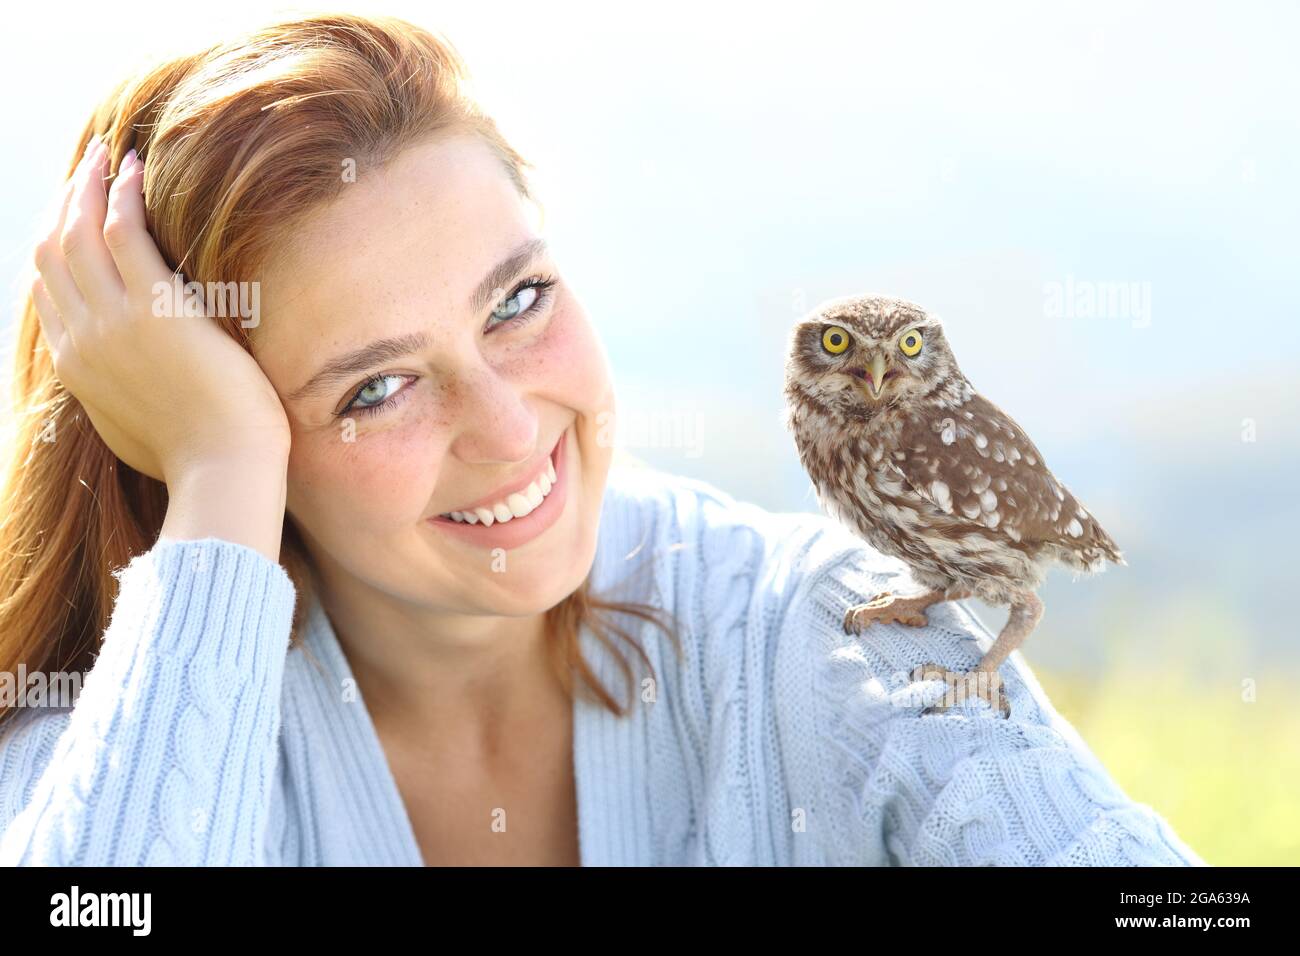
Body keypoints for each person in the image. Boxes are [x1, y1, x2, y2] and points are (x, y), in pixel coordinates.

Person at [0, 13, 1204, 866]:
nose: (511, 428)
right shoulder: (110, 740)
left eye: (516, 302)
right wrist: (217, 476)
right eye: (374, 389)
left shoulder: (829, 644)